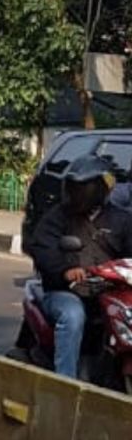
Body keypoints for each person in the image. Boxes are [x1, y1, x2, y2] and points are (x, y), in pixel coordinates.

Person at [29, 155, 132, 378]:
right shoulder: (58, 217)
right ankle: (65, 382)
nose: (76, 192)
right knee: (73, 316)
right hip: (65, 292)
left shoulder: (122, 220)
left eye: (83, 187)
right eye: (75, 187)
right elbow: (42, 247)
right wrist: (65, 271)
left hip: (108, 292)